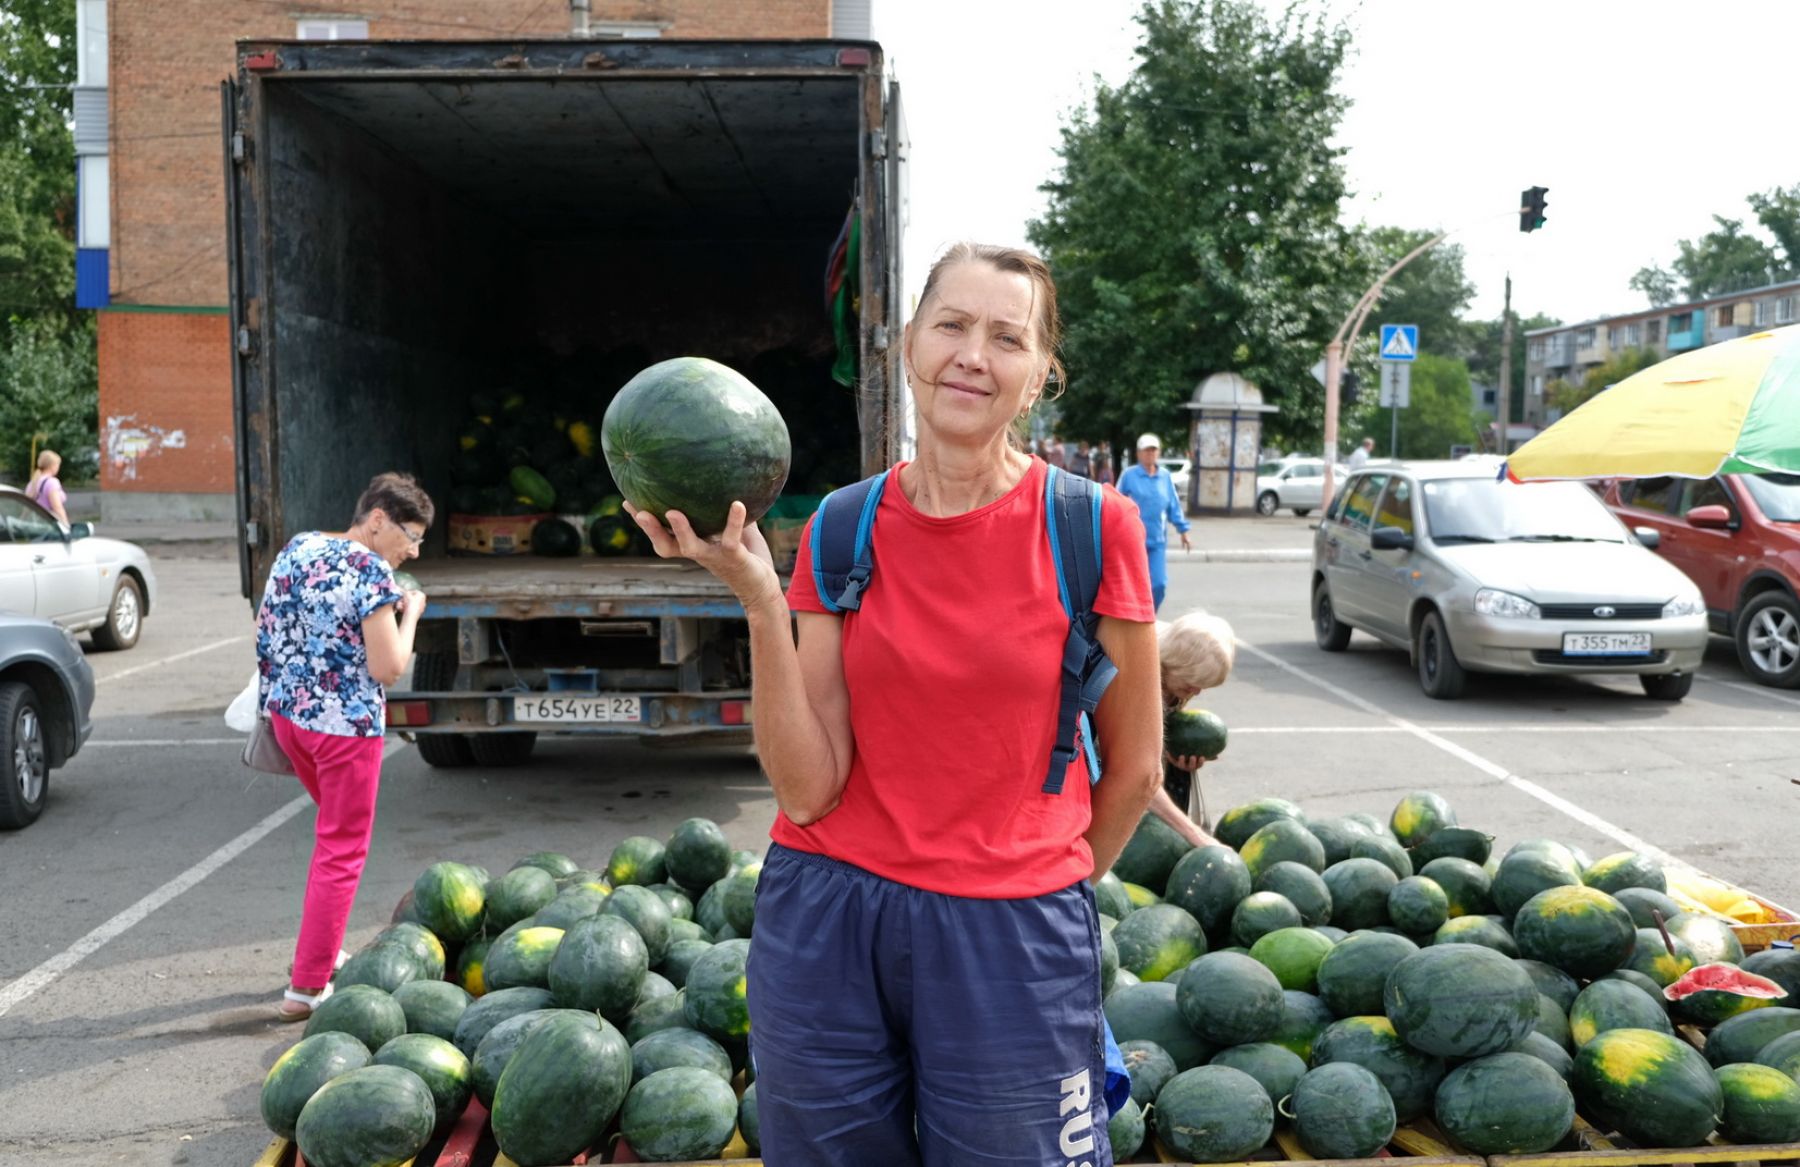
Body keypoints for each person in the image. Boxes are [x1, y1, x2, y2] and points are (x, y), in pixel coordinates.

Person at [630, 242, 1161, 1166]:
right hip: (828, 920)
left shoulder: (1092, 524)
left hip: (1011, 932)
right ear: (909, 343)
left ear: (1038, 377)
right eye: (951, 324)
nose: (972, 354)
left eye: (1007, 337)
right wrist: (760, 594)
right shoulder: (844, 523)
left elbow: (1139, 765)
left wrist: (1039, 879)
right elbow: (805, 790)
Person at [256, 472, 431, 1020]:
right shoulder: (373, 573)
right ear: (377, 518)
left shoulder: (300, 546)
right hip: (345, 733)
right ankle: (306, 989)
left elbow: (267, 627)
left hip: (291, 722)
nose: (414, 549)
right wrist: (412, 616)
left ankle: (324, 953)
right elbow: (389, 668)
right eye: (411, 534)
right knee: (340, 852)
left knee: (330, 841)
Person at [1146, 610, 1237, 847]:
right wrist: (1195, 835)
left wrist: (1172, 755)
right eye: (1190, 685)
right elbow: (1138, 777)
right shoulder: (1135, 683)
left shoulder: (1175, 656)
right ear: (1168, 665)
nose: (1196, 693)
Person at [1115, 433, 1191, 611]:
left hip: (1157, 540)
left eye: (1153, 450)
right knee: (1133, 585)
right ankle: (1135, 617)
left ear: (1158, 453)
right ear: (1139, 453)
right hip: (1133, 540)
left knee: (1158, 584)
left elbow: (1173, 505)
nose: (1150, 454)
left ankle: (1149, 615)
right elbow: (1117, 503)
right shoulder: (1129, 475)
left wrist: (1183, 531)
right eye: (1146, 451)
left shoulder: (1165, 476)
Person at [25, 449, 70, 529]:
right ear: (52, 465)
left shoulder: (32, 483)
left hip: (33, 525)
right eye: (57, 465)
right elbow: (57, 507)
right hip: (48, 526)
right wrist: (66, 525)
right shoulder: (52, 482)